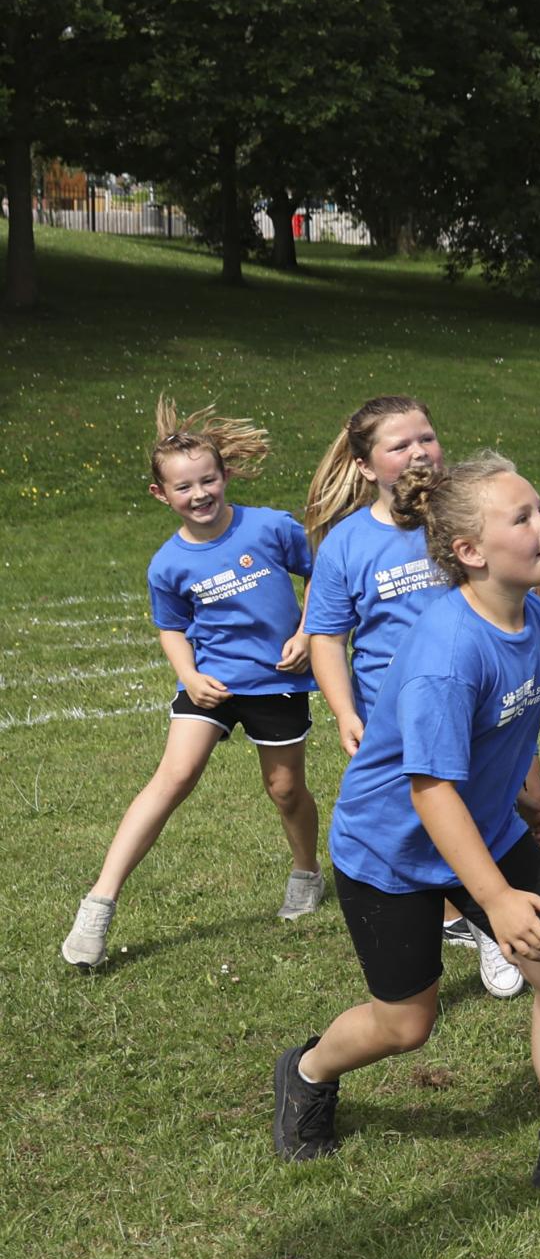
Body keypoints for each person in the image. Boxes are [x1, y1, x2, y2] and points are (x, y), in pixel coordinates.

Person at [271, 455, 540, 1198]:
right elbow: (431, 786)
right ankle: (308, 1070)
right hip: (391, 851)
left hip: (486, 832)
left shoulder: (533, 615)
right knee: (407, 1024)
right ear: (470, 553)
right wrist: (497, 900)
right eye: (523, 518)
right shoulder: (448, 651)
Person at [62, 399, 320, 968]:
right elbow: (171, 627)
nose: (199, 494)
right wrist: (188, 675)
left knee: (284, 792)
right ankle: (99, 904)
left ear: (225, 475)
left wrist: (306, 632)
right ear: (161, 495)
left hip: (277, 682)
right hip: (210, 686)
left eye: (208, 479)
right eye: (184, 487)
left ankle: (306, 872)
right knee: (172, 777)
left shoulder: (271, 526)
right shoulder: (167, 564)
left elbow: (323, 577)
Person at [304, 394, 523, 1000]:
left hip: (490, 709)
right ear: (367, 466)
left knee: (524, 812)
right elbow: (326, 637)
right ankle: (476, 920)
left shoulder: (463, 520)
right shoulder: (346, 544)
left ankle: (520, 923)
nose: (420, 452)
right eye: (400, 445)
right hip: (402, 723)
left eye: (426, 437)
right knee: (436, 825)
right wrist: (346, 713)